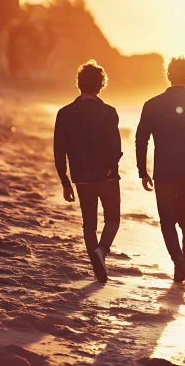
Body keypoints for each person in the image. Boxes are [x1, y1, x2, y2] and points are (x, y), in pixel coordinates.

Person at [136, 56, 185, 283]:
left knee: (167, 221)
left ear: (168, 75)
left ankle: (178, 261)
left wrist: (143, 171)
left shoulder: (152, 104)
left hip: (164, 172)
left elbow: (141, 139)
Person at [54, 60, 122, 283]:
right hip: (108, 177)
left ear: (79, 84)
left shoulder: (64, 113)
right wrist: (113, 168)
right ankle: (102, 252)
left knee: (89, 225)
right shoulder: (109, 113)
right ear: (101, 85)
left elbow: (59, 150)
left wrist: (65, 181)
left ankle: (98, 266)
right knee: (112, 219)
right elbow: (115, 147)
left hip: (81, 178)